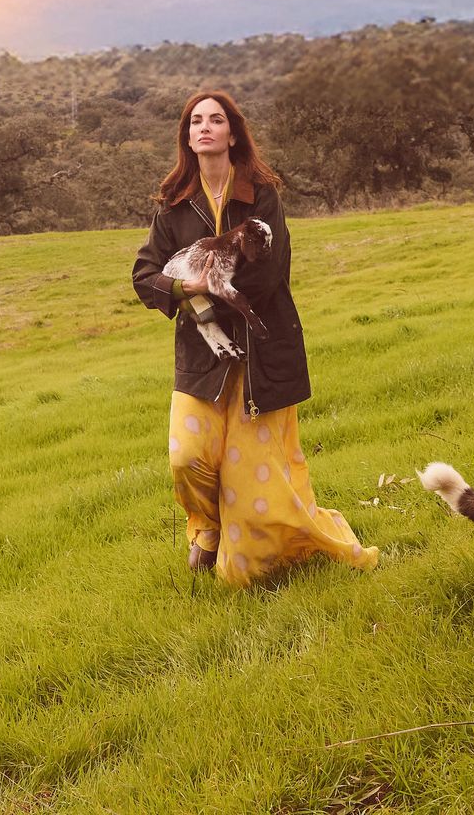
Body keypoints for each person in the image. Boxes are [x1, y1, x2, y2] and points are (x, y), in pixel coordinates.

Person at [132, 90, 378, 586]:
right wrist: (185, 289)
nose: (204, 127)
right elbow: (144, 275)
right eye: (195, 121)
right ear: (187, 137)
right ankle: (207, 527)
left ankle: (268, 551)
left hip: (261, 356)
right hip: (201, 356)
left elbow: (266, 275)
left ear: (232, 134)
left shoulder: (261, 195)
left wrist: (199, 288)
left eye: (215, 119)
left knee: (251, 492)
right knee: (187, 456)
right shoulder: (173, 205)